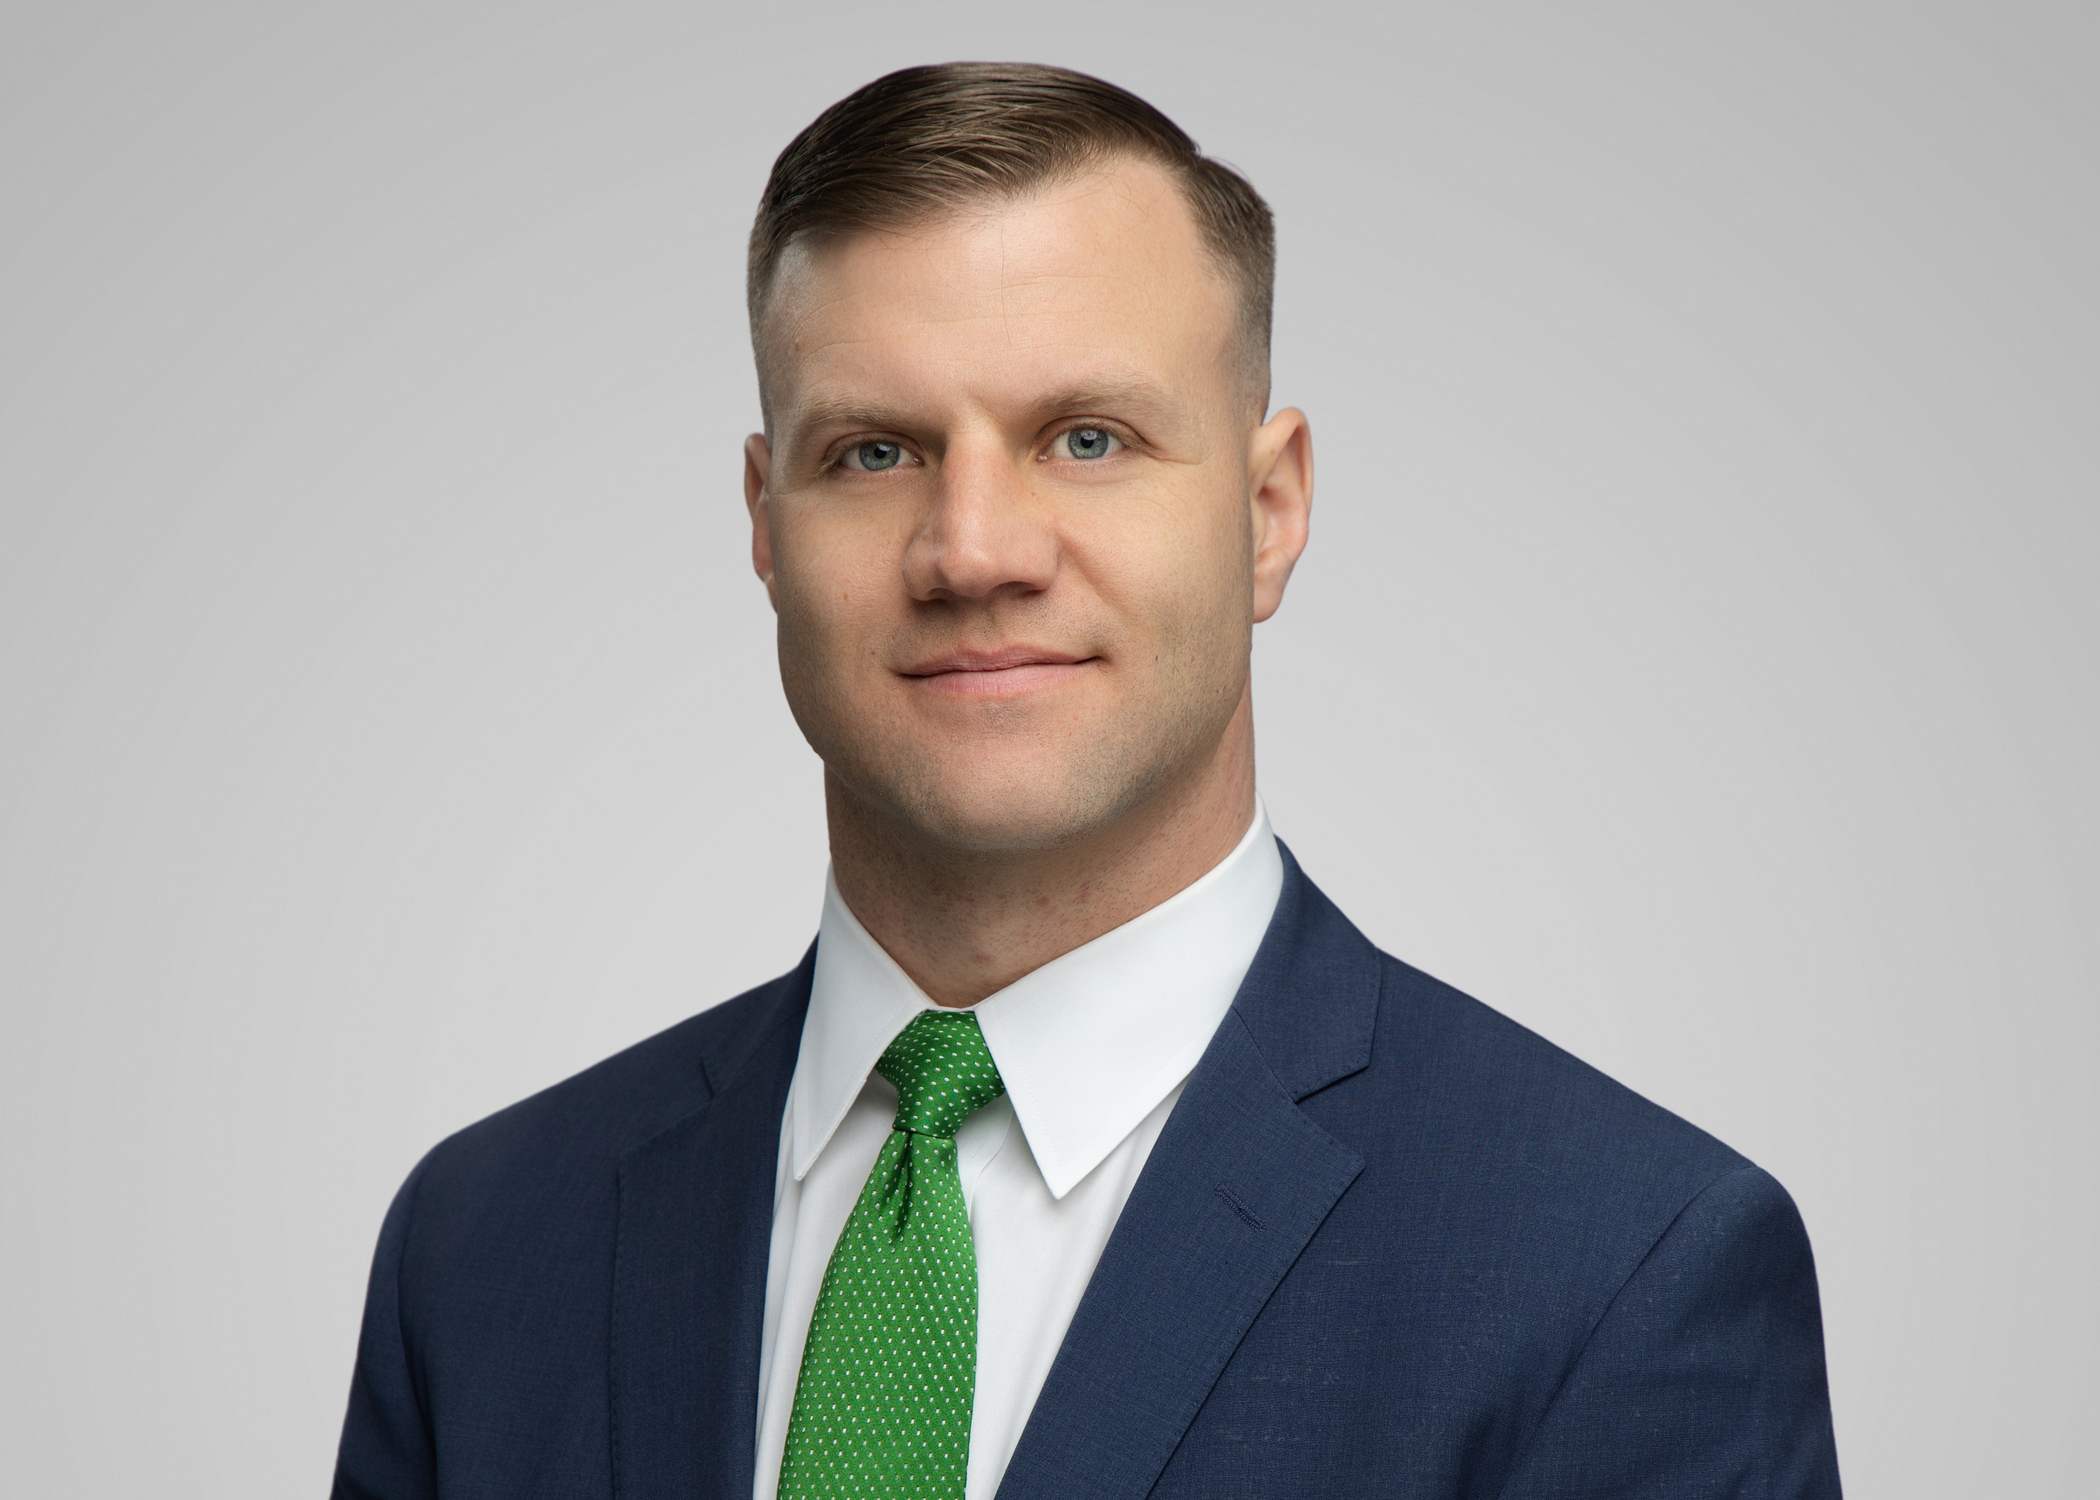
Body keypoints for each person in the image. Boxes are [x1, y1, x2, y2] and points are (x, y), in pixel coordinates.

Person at [332, 63, 1842, 1500]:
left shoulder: (1622, 1268)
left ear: (1269, 511)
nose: (974, 550)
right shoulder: (482, 1248)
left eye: (1088, 438)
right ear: (765, 522)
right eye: (874, 454)